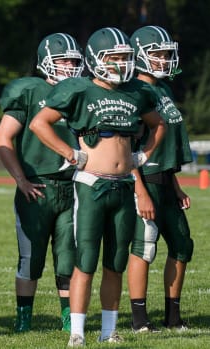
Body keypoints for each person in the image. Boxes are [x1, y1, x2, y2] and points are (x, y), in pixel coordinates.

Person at [29, 27, 166, 347]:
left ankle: (109, 330)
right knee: (86, 260)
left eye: (125, 57)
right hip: (91, 184)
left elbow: (158, 124)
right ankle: (77, 331)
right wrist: (69, 154)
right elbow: (39, 123)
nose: (121, 64)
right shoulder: (79, 89)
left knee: (116, 263)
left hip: (123, 186)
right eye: (114, 57)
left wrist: (143, 155)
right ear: (96, 59)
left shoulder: (135, 92)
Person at [0, 33, 83, 333]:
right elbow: (3, 138)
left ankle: (70, 320)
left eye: (73, 60)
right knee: (30, 259)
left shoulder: (82, 90)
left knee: (68, 259)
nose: (69, 66)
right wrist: (21, 180)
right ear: (46, 62)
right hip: (37, 187)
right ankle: (23, 320)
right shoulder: (30, 91)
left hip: (73, 185)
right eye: (62, 60)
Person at [127, 25, 194, 333]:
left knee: (182, 245)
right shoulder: (135, 92)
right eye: (159, 54)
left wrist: (176, 184)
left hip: (165, 180)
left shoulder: (164, 89)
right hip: (146, 179)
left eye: (168, 53)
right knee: (145, 247)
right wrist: (139, 188)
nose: (166, 59)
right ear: (141, 56)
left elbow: (166, 145)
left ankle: (173, 317)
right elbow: (125, 147)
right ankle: (140, 320)